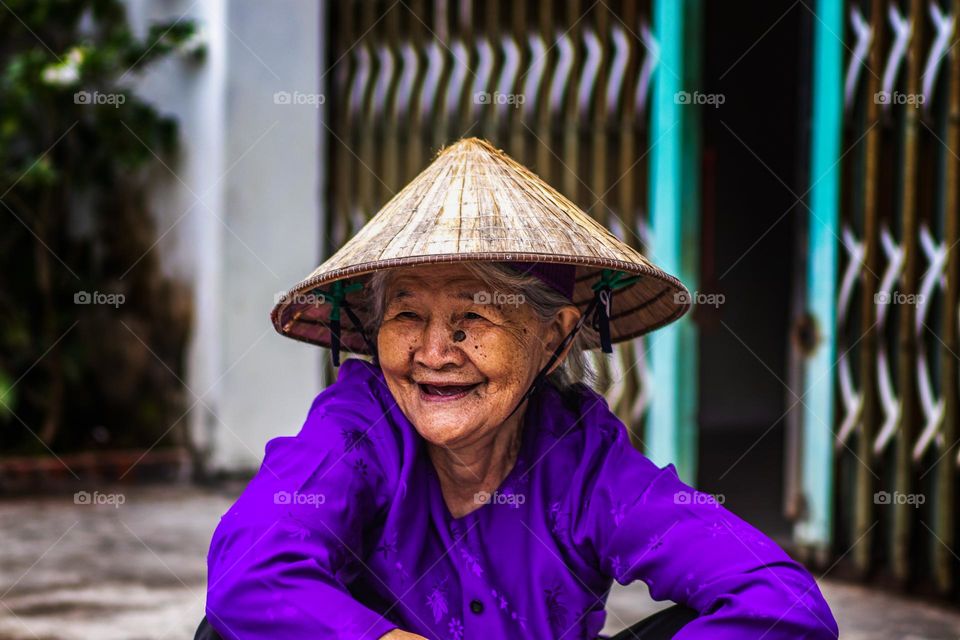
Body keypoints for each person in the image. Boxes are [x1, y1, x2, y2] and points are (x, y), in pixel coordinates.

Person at [199, 138, 839, 639]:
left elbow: (784, 604)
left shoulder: (585, 464)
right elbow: (248, 572)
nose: (433, 353)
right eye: (406, 314)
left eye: (472, 316)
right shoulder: (358, 427)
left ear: (553, 334)